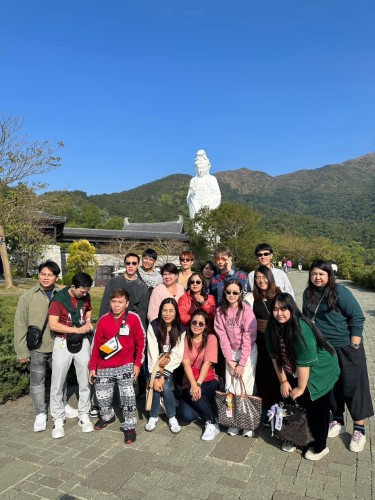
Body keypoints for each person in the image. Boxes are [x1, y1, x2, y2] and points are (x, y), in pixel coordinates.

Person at [303, 260, 373, 453]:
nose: (317, 277)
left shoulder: (341, 292)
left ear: (329, 275)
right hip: (323, 349)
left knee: (353, 386)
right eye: (314, 273)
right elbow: (306, 319)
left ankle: (359, 429)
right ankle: (338, 420)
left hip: (345, 347)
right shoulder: (308, 294)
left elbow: (357, 317)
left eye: (321, 274)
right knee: (331, 385)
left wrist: (355, 343)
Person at [266, 293, 340, 460]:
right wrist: (283, 381)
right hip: (294, 366)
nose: (279, 313)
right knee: (291, 399)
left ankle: (321, 446)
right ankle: (294, 436)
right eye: (275, 309)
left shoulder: (301, 328)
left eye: (284, 309)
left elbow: (304, 364)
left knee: (316, 405)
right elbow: (274, 356)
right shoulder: (272, 326)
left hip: (321, 369)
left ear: (292, 308)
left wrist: (300, 388)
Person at [14, 261, 78, 433]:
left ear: (56, 277)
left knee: (61, 379)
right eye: (43, 274)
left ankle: (62, 404)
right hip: (37, 347)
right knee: (37, 382)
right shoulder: (28, 296)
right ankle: (40, 413)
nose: (45, 277)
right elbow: (20, 324)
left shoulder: (63, 293)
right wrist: (21, 350)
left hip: (59, 345)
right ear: (38, 275)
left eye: (50, 275)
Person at [89, 288, 145, 444]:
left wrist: (137, 364)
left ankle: (129, 427)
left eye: (120, 302)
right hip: (105, 365)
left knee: (128, 396)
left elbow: (141, 342)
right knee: (102, 396)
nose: (116, 305)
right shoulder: (103, 320)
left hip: (126, 365)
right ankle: (107, 416)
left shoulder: (133, 319)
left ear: (127, 303)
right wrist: (93, 367)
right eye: (113, 301)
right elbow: (96, 346)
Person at [48, 272, 94, 438]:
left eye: (86, 291)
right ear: (72, 287)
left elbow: (88, 310)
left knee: (85, 379)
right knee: (57, 382)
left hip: (82, 342)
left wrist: (88, 322)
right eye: (82, 291)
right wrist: (76, 329)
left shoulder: (85, 296)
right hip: (62, 342)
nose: (84, 294)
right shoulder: (58, 300)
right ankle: (58, 419)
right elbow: (53, 325)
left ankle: (84, 414)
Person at [214, 280, 257, 437]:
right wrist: (230, 360)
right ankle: (234, 422)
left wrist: (242, 363)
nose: (231, 295)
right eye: (228, 292)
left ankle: (247, 423)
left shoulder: (246, 311)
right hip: (230, 353)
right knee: (231, 388)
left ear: (240, 293)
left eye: (235, 292)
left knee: (245, 387)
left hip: (247, 352)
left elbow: (249, 337)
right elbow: (222, 336)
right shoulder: (220, 312)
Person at [145, 298, 186, 433]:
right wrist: (156, 376)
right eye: (165, 310)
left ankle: (171, 416)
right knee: (155, 385)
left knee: (166, 386)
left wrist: (163, 376)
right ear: (160, 311)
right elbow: (152, 352)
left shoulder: (180, 329)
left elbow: (177, 354)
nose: (167, 314)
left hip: (172, 363)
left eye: (171, 311)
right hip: (154, 361)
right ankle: (153, 416)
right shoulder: (153, 326)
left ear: (176, 312)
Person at [180, 310, 220, 441]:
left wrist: (198, 384)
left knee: (197, 392)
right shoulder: (185, 338)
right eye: (194, 322)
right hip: (189, 381)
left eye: (201, 323)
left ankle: (212, 423)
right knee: (187, 416)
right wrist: (193, 384)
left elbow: (207, 363)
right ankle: (204, 404)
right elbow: (185, 363)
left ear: (205, 326)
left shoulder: (211, 338)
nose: (197, 325)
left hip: (208, 380)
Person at [252, 266, 281, 413]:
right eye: (257, 277)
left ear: (270, 278)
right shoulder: (253, 298)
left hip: (277, 340)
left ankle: (279, 405)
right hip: (259, 340)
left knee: (276, 373)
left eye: (264, 277)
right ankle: (267, 407)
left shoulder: (279, 295)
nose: (261, 280)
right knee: (262, 374)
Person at [99, 253, 149, 329]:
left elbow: (142, 313)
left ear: (138, 265)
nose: (131, 266)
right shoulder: (113, 282)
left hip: (132, 325)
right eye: (128, 263)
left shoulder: (142, 287)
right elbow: (105, 306)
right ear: (124, 264)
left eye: (134, 263)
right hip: (112, 322)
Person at [186, 149, 221, 219]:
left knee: (209, 226)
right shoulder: (193, 180)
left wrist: (208, 204)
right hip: (196, 208)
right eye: (199, 168)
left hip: (208, 207)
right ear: (196, 168)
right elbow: (188, 198)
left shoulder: (212, 179)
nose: (201, 170)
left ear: (207, 167)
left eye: (203, 168)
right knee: (197, 226)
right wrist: (192, 196)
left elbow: (217, 195)